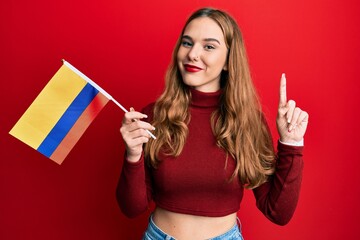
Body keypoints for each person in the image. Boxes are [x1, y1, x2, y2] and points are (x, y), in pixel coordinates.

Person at [116, 7, 308, 240]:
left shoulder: (248, 122)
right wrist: (133, 154)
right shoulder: (153, 116)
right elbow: (131, 208)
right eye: (187, 43)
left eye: (209, 46)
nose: (193, 54)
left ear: (228, 60)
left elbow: (278, 212)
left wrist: (292, 143)